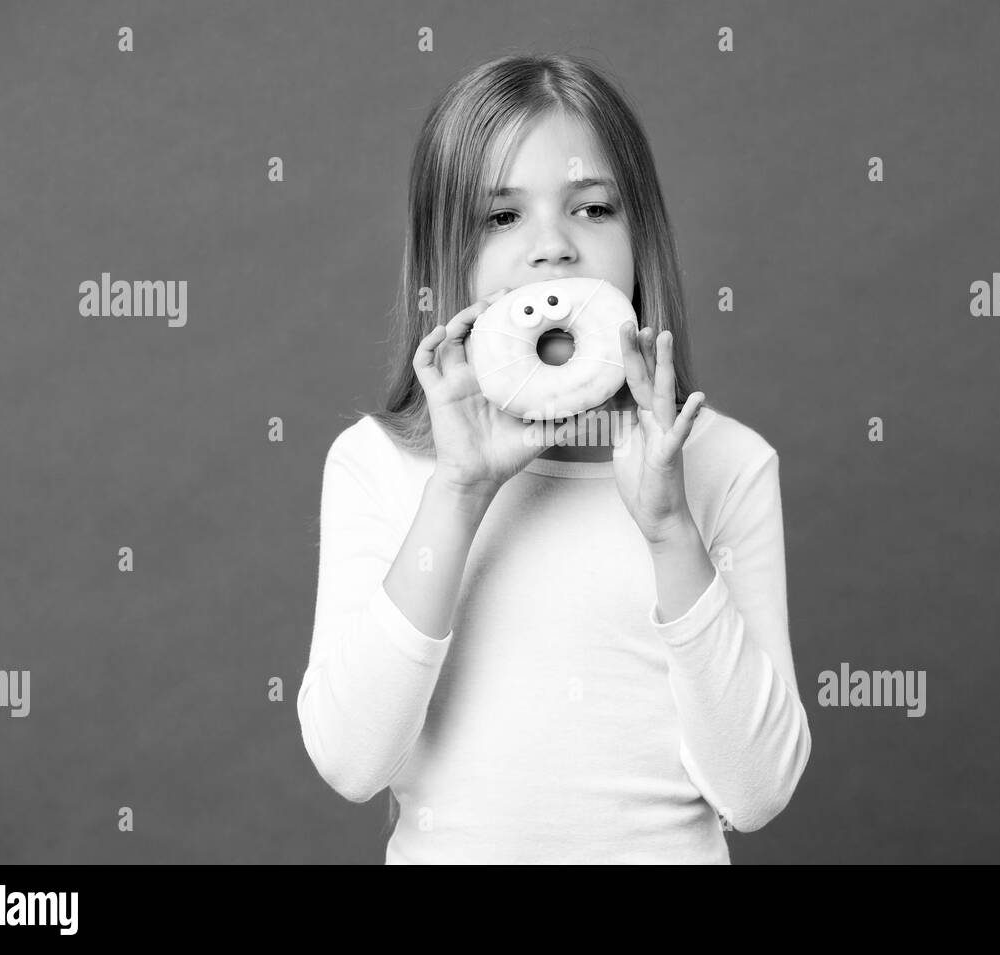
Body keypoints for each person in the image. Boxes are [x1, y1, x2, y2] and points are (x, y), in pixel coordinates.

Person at [297, 52, 812, 863]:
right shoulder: (381, 466)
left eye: (594, 208)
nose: (554, 249)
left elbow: (755, 790)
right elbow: (353, 761)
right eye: (502, 217)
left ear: (642, 241)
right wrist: (460, 491)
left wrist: (672, 529)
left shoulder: (723, 463)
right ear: (447, 254)